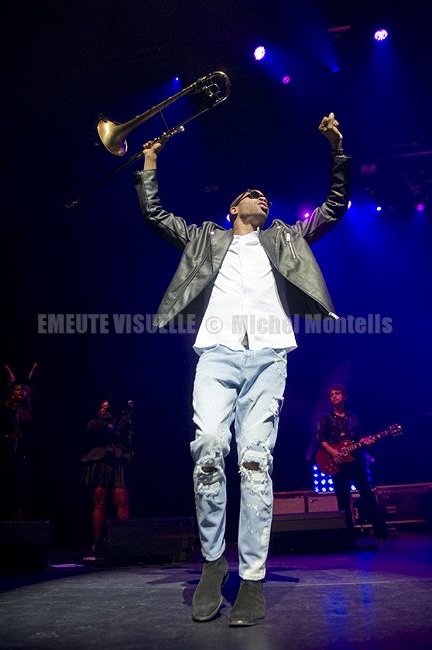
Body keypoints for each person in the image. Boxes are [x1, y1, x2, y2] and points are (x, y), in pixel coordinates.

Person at [133, 112, 351, 626]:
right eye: (252, 195)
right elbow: (156, 215)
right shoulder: (206, 239)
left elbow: (334, 207)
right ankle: (214, 564)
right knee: (209, 448)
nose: (262, 198)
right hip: (217, 353)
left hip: (269, 356)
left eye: (265, 197)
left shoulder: (286, 239)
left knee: (255, 463)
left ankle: (252, 579)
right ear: (233, 208)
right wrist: (150, 162)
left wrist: (336, 149)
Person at [316, 384, 398, 546]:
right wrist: (333, 452)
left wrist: (366, 441)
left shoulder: (354, 418)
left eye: (337, 393)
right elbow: (320, 438)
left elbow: (360, 437)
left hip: (355, 462)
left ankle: (382, 533)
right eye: (331, 394)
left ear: (344, 397)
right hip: (337, 463)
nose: (334, 396)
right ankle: (348, 536)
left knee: (368, 494)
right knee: (343, 499)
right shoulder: (326, 418)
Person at [81, 398, 132, 552]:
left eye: (109, 407)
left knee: (121, 500)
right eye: (103, 407)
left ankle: (123, 543)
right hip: (101, 461)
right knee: (100, 501)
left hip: (118, 459)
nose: (106, 409)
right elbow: (96, 430)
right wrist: (106, 419)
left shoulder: (121, 422)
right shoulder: (95, 423)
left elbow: (123, 431)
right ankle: (97, 543)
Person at [0, 363, 39, 520]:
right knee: (4, 491)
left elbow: (38, 402)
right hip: (5, 455)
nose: (21, 390)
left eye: (25, 390)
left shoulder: (31, 412)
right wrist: (9, 384)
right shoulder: (6, 411)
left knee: (20, 494)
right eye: (17, 389)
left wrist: (31, 382)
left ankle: (17, 529)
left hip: (23, 456)